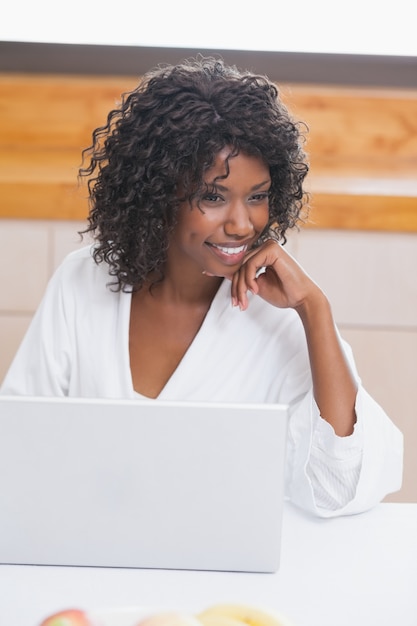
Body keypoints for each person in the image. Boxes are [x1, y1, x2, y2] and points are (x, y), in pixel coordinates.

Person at [0, 56, 403, 517]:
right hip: (92, 561)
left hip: (224, 577)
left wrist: (315, 309)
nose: (240, 223)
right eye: (212, 196)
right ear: (157, 192)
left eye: (257, 197)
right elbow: (20, 449)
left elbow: (341, 487)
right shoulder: (82, 282)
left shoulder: (279, 317)